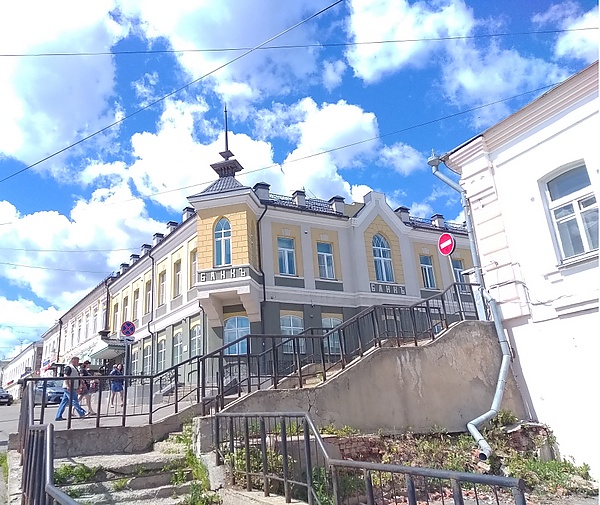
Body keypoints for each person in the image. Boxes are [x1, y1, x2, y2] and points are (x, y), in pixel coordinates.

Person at [55, 356, 87, 421]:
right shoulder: (69, 367)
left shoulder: (75, 368)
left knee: (64, 402)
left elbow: (77, 378)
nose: (78, 363)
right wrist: (68, 386)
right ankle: (82, 413)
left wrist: (79, 386)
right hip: (69, 387)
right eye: (77, 361)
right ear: (73, 361)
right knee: (74, 400)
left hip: (72, 387)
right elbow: (66, 377)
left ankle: (58, 416)